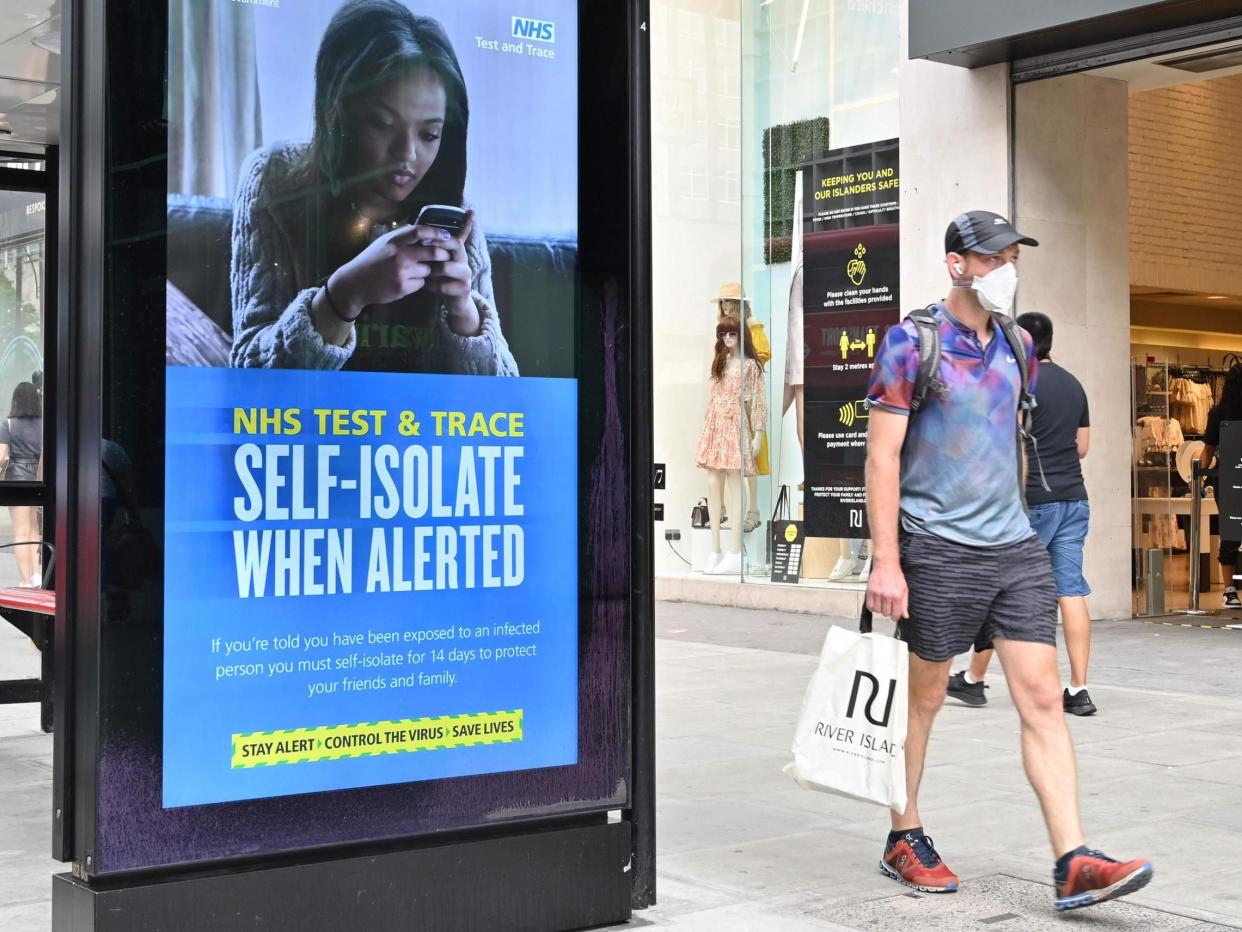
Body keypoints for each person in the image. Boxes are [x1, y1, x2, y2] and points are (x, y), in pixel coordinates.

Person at [863, 210, 1152, 910]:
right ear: (957, 263)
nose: (1006, 270)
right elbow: (881, 456)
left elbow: (1013, 440)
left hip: (1015, 548)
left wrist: (1019, 517)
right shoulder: (911, 343)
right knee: (926, 698)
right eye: (993, 258)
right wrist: (886, 560)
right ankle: (905, 834)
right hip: (935, 547)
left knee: (1043, 697)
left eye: (1013, 257)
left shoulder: (1019, 346)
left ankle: (1074, 860)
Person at [230, 0, 517, 375]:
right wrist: (343, 296)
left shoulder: (453, 215)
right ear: (338, 112)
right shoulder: (274, 179)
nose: (407, 156)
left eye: (430, 134)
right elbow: (246, 375)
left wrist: (464, 311)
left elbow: (507, 405)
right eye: (382, 124)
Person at [947, 312, 1097, 715]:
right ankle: (1079, 689)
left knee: (1000, 585)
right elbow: (1082, 447)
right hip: (1074, 498)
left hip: (1031, 501)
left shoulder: (1017, 382)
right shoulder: (1073, 383)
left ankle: (974, 679)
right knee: (1071, 590)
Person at [1199, 364, 1242, 607]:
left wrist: (1201, 473)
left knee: (1231, 531)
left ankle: (1230, 589)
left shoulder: (1219, 413)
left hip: (1229, 478)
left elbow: (1208, 450)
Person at [0, 382, 43, 587]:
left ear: (15, 400)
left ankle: (25, 581)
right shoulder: (45, 424)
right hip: (38, 477)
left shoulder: (8, 425)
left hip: (16, 479)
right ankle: (37, 575)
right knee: (35, 530)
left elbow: (0, 458)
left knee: (20, 531)